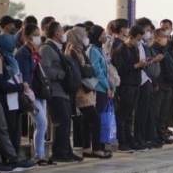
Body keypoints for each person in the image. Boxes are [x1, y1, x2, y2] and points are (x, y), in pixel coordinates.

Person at [40, 22, 81, 162]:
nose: (63, 34)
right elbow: (44, 70)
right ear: (57, 34)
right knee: (61, 120)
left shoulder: (58, 48)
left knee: (66, 121)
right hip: (54, 90)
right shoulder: (47, 49)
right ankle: (58, 152)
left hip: (63, 90)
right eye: (62, 31)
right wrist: (61, 74)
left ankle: (66, 150)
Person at [66, 26, 108, 159]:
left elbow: (90, 69)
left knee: (87, 120)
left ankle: (87, 148)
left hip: (88, 89)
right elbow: (82, 71)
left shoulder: (81, 50)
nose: (85, 38)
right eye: (83, 35)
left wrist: (87, 69)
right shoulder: (72, 51)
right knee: (95, 118)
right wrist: (87, 69)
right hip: (81, 90)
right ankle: (97, 148)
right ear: (77, 37)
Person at [0, 52, 35, 172]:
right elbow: (1, 83)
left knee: (2, 129)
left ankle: (12, 159)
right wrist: (20, 87)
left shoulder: (5, 58)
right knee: (2, 128)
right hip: (0, 99)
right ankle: (11, 159)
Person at [112, 26, 150, 153]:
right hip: (125, 86)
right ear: (131, 37)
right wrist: (137, 65)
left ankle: (130, 141)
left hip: (135, 84)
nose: (139, 42)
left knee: (129, 116)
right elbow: (120, 69)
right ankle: (122, 142)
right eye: (138, 39)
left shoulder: (134, 48)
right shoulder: (121, 50)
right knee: (122, 115)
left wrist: (144, 64)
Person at [17, 24, 50, 165]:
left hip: (40, 91)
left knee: (41, 124)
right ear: (26, 37)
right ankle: (39, 155)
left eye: (39, 35)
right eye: (34, 35)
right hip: (31, 93)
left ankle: (39, 153)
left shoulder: (34, 52)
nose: (38, 38)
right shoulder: (23, 53)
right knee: (42, 122)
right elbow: (24, 75)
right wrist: (28, 93)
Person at [134, 18, 163, 149]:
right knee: (141, 112)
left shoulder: (143, 45)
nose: (149, 33)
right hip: (140, 81)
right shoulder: (135, 45)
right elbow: (140, 63)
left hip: (147, 80)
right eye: (147, 30)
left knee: (149, 112)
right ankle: (139, 140)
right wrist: (153, 60)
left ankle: (148, 138)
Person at [0, 33, 25, 160]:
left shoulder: (11, 59)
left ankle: (15, 156)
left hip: (15, 101)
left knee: (16, 132)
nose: (14, 46)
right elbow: (1, 84)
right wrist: (20, 87)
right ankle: (8, 159)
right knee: (8, 131)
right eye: (11, 43)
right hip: (6, 101)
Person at [88, 25, 116, 153]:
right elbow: (98, 71)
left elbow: (108, 70)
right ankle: (97, 146)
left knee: (104, 117)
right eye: (103, 34)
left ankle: (103, 144)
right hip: (99, 88)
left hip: (106, 88)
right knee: (99, 117)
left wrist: (112, 87)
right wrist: (107, 86)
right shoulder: (93, 50)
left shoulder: (101, 50)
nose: (106, 37)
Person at [148, 28, 173, 147]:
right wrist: (155, 83)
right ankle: (153, 136)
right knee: (155, 113)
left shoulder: (165, 50)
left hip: (167, 84)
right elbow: (151, 70)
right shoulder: (152, 50)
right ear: (158, 38)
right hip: (158, 85)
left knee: (164, 113)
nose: (167, 39)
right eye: (165, 37)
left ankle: (160, 135)